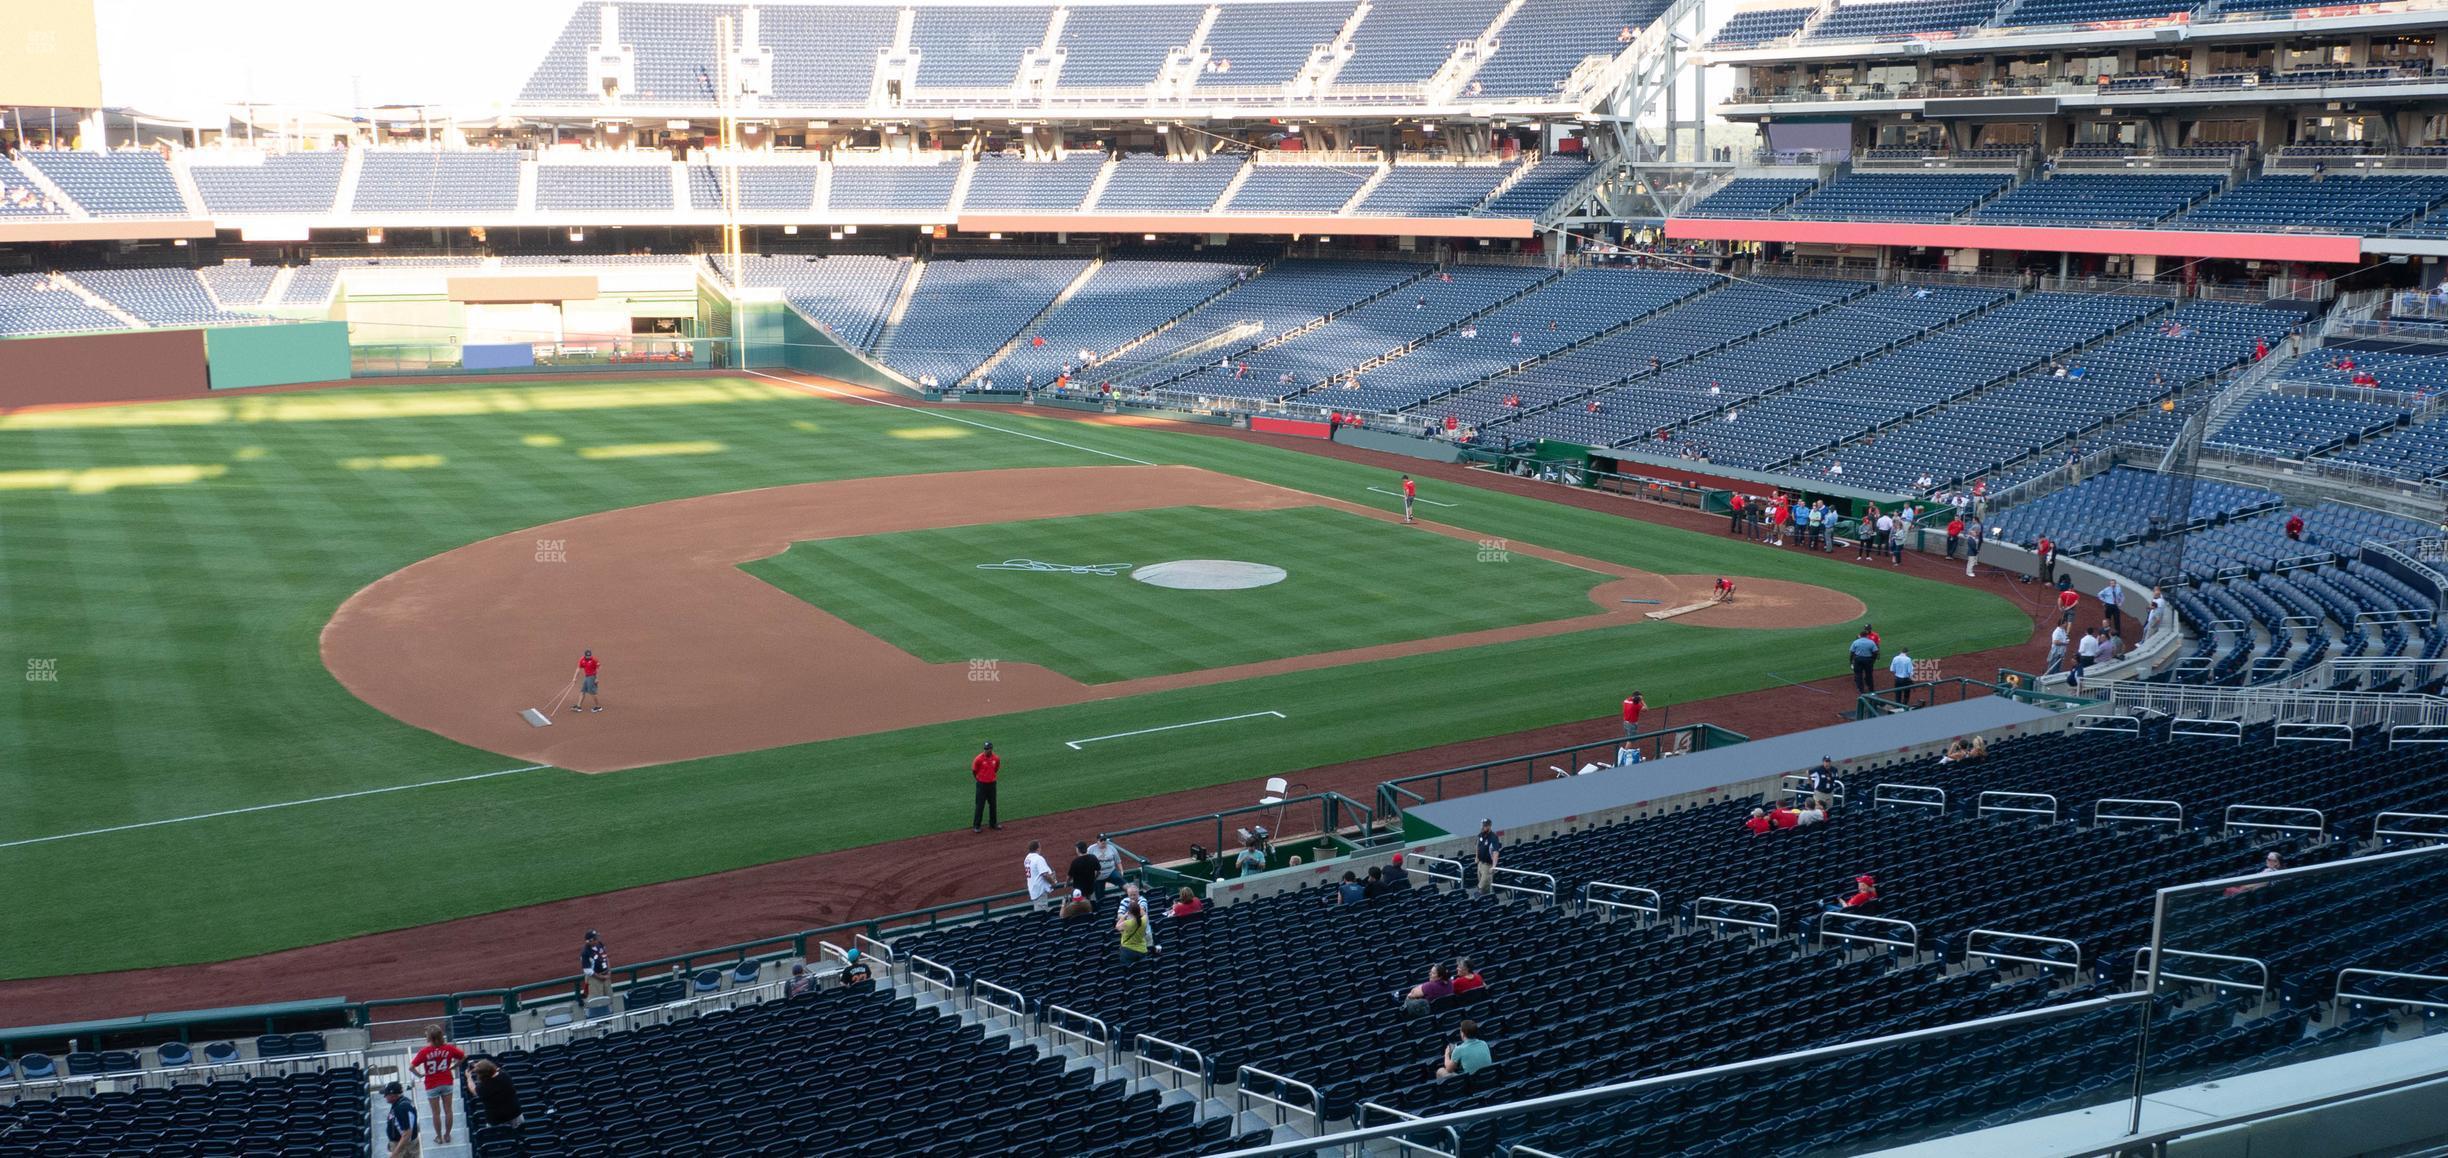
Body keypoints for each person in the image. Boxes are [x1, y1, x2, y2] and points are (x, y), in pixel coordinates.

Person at [408, 1027, 466, 1144]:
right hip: (447, 1081)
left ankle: (439, 1137)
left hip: (431, 1084)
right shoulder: (449, 1048)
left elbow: (411, 1067)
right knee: (448, 1110)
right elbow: (464, 1056)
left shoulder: (424, 1051)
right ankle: (448, 1135)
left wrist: (419, 1075)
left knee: (436, 1113)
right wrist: (454, 1067)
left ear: (429, 1038)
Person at [465, 1059, 523, 1131]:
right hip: (515, 1114)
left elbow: (473, 1090)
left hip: (496, 1120)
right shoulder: (505, 1075)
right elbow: (495, 1070)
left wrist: (469, 1077)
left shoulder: (483, 1087)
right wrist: (481, 1067)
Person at [382, 1081, 422, 1158]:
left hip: (404, 1147)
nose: (384, 1097)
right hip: (405, 1144)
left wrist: (395, 1153)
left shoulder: (401, 1108)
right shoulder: (403, 1102)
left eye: (386, 1094)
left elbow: (407, 1134)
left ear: (393, 1095)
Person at [1115, 885, 1152, 964]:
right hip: (1138, 938)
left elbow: (1118, 925)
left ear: (1138, 893)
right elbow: (1119, 915)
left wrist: (1126, 915)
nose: (1132, 897)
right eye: (1130, 895)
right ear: (1127, 894)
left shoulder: (1142, 900)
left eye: (1134, 895)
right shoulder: (1125, 901)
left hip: (1143, 935)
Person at [970, 741, 1000, 832]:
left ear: (991, 749)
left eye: (988, 749)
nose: (986, 750)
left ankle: (993, 823)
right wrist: (980, 779)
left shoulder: (996, 758)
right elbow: (974, 771)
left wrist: (990, 777)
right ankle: (976, 826)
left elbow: (996, 769)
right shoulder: (978, 759)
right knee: (980, 805)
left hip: (992, 784)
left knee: (993, 805)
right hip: (981, 785)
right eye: (985, 749)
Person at [1024, 840, 1058, 911]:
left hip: (1034, 889)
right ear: (1038, 848)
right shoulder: (1038, 859)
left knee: (1039, 911)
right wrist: (1053, 882)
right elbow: (1045, 874)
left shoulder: (1027, 858)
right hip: (1039, 891)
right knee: (1042, 915)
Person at [1473, 818, 1502, 894]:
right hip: (1480, 864)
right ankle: (1487, 899)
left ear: (1489, 826)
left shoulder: (1493, 837)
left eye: (1485, 826)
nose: (1483, 827)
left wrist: (1494, 866)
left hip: (1488, 865)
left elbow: (1496, 852)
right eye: (1482, 825)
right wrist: (1476, 857)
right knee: (1485, 887)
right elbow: (1477, 845)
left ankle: (1480, 899)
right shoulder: (1481, 834)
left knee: (1480, 886)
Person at [580, 930, 610, 1001]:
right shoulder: (585, 952)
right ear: (590, 941)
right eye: (595, 937)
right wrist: (600, 977)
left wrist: (609, 971)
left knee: (609, 999)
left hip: (606, 976)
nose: (598, 938)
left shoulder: (600, 944)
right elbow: (587, 970)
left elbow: (606, 957)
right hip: (595, 979)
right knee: (597, 1001)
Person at [572, 649, 603, 713]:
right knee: (582, 691)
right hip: (587, 677)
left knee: (592, 692)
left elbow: (599, 668)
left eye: (589, 656)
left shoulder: (594, 660)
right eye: (587, 656)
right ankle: (578, 706)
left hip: (592, 677)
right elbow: (578, 668)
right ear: (585, 655)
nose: (588, 657)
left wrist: (597, 678)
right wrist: (574, 678)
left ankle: (598, 707)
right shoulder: (582, 660)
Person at [1849, 630, 1879, 694]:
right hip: (1868, 660)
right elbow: (1875, 652)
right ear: (1866, 635)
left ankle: (1861, 690)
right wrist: (1873, 660)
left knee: (1858, 675)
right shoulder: (1871, 642)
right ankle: (1871, 689)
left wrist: (1851, 662)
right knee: (1869, 675)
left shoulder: (1855, 642)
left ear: (1860, 635)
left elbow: (1852, 652)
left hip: (1858, 660)